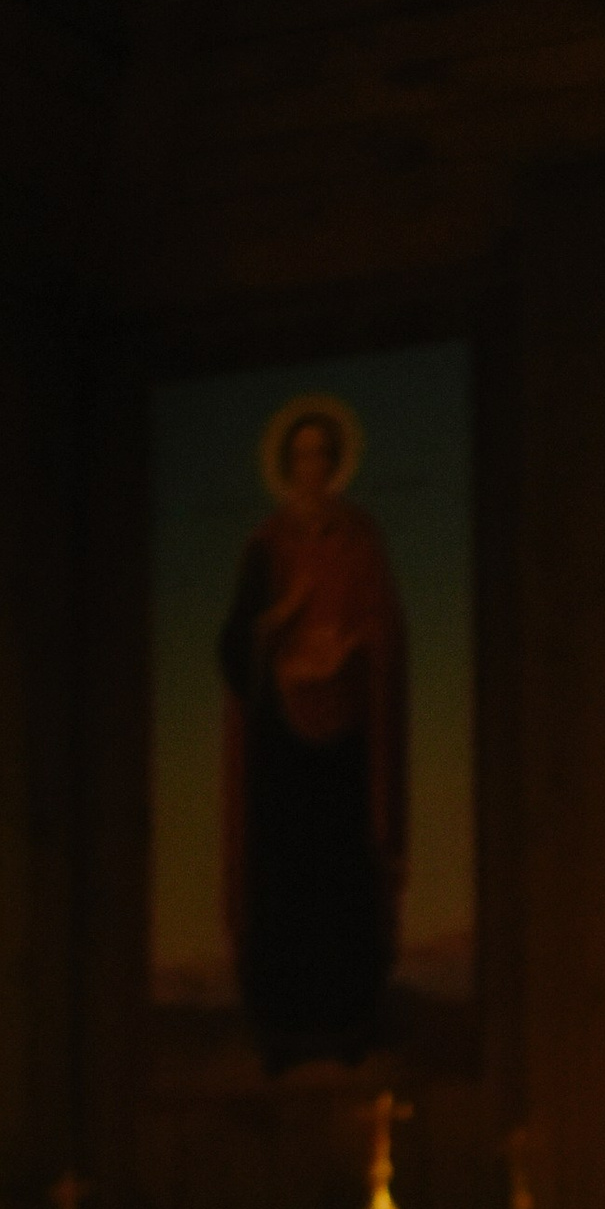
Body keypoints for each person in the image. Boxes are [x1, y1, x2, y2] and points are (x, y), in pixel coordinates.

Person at [219, 400, 408, 1071]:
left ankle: (349, 1020)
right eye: (300, 455)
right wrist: (280, 622)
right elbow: (235, 646)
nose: (311, 466)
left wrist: (352, 648)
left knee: (340, 877)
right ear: (287, 465)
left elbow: (386, 628)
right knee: (285, 880)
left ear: (334, 464)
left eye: (321, 454)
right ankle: (283, 1026)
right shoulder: (266, 546)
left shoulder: (359, 540)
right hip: (281, 745)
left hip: (345, 741)